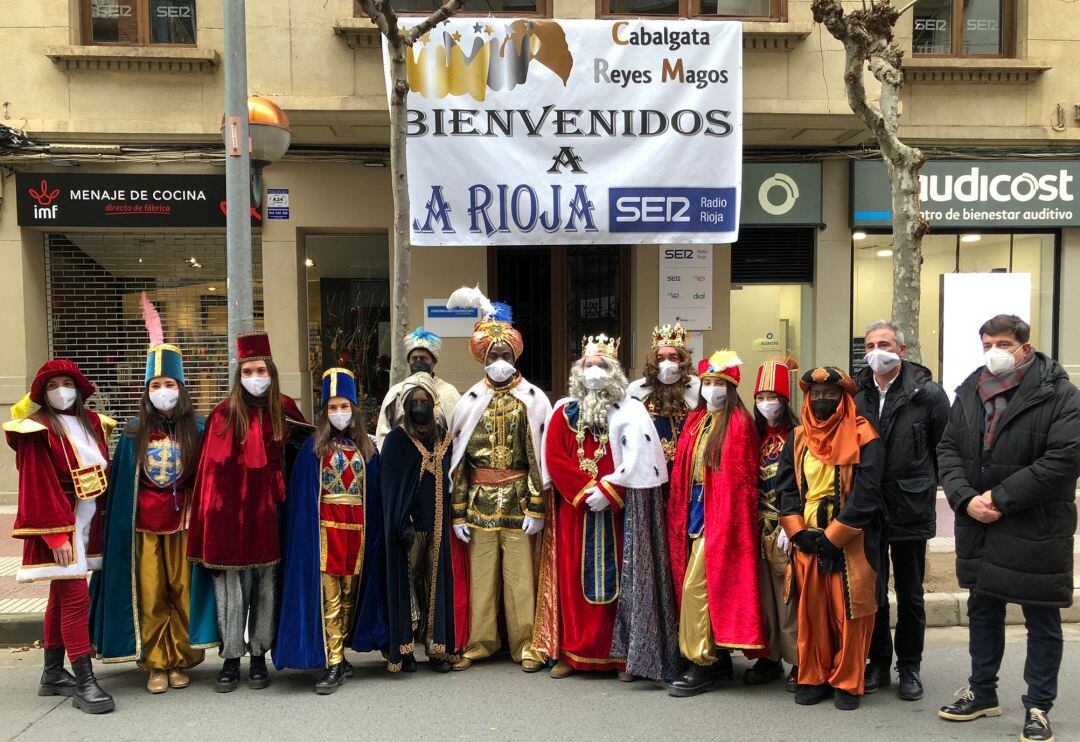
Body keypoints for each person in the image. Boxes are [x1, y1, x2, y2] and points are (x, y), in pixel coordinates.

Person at [936, 314, 1080, 742]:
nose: (994, 352)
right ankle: (982, 692)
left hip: (1035, 523)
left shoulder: (1060, 394)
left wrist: (998, 498)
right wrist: (965, 499)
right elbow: (947, 448)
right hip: (980, 523)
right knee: (983, 610)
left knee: (1041, 616)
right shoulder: (969, 390)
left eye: (1002, 343)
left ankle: (1038, 705)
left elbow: (1064, 458)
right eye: (986, 345)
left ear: (1025, 346)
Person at [91, 295, 217, 694]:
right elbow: (121, 488)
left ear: (181, 388)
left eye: (170, 384)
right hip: (144, 526)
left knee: (182, 592)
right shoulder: (132, 433)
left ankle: (181, 657)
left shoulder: (198, 428)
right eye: (157, 385)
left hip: (183, 525)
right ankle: (156, 663)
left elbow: (206, 479)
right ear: (147, 390)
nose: (163, 391)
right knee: (151, 594)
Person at [535, 335, 669, 681]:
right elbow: (555, 456)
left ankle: (621, 656)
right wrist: (583, 492)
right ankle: (572, 653)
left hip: (617, 509)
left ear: (614, 372)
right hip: (574, 512)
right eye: (589, 366)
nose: (594, 372)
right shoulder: (563, 411)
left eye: (602, 366)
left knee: (623, 582)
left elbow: (638, 457)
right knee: (570, 580)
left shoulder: (631, 409)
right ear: (578, 371)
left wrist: (610, 490)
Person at [186, 331, 307, 693]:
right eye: (248, 371)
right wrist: (208, 524)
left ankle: (258, 656)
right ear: (239, 375)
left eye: (260, 370)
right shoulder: (223, 414)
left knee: (266, 588)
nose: (255, 377)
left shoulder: (284, 409)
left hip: (272, 515)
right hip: (230, 519)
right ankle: (230, 658)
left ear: (270, 371)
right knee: (231, 592)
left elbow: (304, 453)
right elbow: (209, 474)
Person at [443, 288, 551, 673]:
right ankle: (482, 642)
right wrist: (457, 513)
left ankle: (526, 643)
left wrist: (537, 506)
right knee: (482, 580)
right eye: (493, 357)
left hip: (521, 502)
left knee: (522, 581)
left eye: (505, 356)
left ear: (515, 356)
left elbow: (540, 457)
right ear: (482, 360)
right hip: (478, 505)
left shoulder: (534, 399)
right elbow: (459, 462)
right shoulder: (469, 401)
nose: (500, 362)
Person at [6, 360, 117, 713]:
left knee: (60, 594)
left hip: (87, 522)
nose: (61, 390)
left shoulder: (94, 424)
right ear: (42, 392)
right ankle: (86, 681)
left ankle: (52, 673)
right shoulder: (35, 429)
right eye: (52, 385)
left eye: (66, 382)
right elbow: (37, 485)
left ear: (79, 387)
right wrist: (56, 537)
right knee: (75, 599)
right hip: (60, 527)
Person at [274, 368, 388, 693]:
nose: (339, 413)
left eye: (345, 406)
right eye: (333, 407)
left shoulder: (368, 452)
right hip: (324, 537)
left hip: (358, 538)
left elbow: (375, 498)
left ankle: (338, 652)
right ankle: (335, 663)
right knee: (330, 601)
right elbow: (302, 501)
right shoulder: (312, 452)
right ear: (325, 412)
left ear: (354, 409)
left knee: (350, 601)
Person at [854, 320, 950, 701]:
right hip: (868, 509)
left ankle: (909, 665)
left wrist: (930, 490)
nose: (878, 350)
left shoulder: (927, 394)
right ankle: (878, 662)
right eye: (871, 344)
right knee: (872, 591)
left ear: (902, 350)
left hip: (910, 505)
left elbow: (944, 451)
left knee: (910, 592)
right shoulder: (857, 394)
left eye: (886, 343)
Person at [778, 366, 884, 711]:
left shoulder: (863, 433)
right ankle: (812, 676)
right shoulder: (797, 436)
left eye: (830, 394)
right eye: (816, 394)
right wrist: (798, 532)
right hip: (807, 537)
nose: (822, 399)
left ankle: (848, 681)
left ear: (844, 398)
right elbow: (786, 489)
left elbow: (868, 492)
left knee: (850, 613)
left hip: (851, 539)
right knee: (812, 612)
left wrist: (836, 536)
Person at [667, 350, 764, 697]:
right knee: (699, 588)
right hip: (693, 514)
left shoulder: (738, 424)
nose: (711, 389)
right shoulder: (695, 421)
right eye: (707, 383)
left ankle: (701, 663)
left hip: (720, 520)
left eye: (718, 384)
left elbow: (740, 484)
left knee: (698, 589)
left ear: (731, 387)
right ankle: (718, 655)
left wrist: (724, 521)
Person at [380, 372, 458, 673]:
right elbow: (391, 489)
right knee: (407, 588)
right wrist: (400, 525)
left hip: (438, 528)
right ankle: (405, 649)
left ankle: (437, 650)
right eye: (415, 402)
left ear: (434, 404)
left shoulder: (444, 440)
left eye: (425, 401)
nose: (420, 407)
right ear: (406, 405)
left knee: (434, 588)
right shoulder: (398, 441)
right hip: (409, 530)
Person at [744, 358, 800, 692]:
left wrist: (792, 526)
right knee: (763, 598)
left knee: (789, 597)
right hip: (755, 526)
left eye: (773, 395)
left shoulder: (799, 435)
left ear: (785, 399)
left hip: (785, 528)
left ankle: (799, 658)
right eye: (761, 396)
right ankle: (768, 657)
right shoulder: (751, 435)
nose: (767, 403)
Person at [627, 323, 700, 466]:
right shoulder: (636, 390)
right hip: (649, 467)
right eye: (660, 358)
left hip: (687, 467)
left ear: (683, 361)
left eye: (673, 357)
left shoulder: (698, 389)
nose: (666, 364)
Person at [375, 327, 461, 449]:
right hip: (401, 455)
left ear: (434, 361)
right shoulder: (396, 392)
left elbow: (458, 432)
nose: (418, 362)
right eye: (414, 359)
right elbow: (383, 430)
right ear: (408, 361)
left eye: (423, 358)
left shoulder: (449, 392)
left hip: (439, 456)